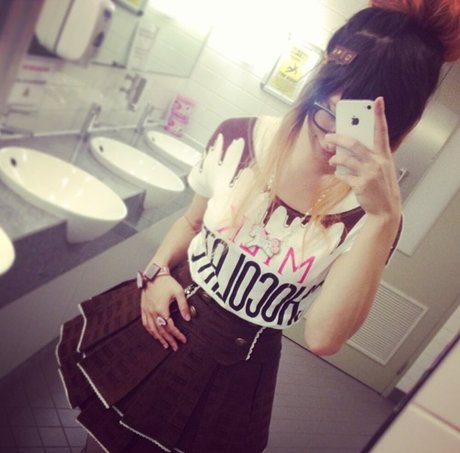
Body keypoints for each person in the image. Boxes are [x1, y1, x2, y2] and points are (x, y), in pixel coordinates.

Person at [57, 1, 460, 452]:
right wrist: (155, 274)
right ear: (317, 84)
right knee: (101, 433)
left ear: (397, 132)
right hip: (159, 315)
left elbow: (323, 337)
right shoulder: (239, 138)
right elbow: (191, 221)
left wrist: (384, 218)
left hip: (239, 368)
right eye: (329, 113)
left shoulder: (373, 217)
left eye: (357, 126)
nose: (333, 140)